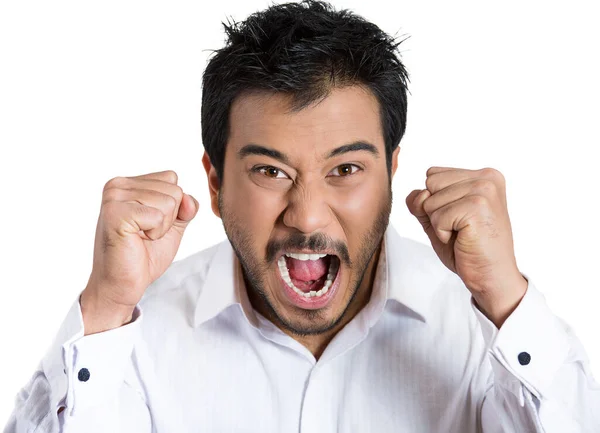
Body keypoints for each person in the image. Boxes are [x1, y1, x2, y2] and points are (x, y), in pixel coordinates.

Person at [5, 0, 599, 431]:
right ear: (215, 185)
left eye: (346, 170)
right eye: (270, 172)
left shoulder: (485, 328)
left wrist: (505, 298)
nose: (308, 214)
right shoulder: (131, 337)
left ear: (392, 174)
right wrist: (106, 310)